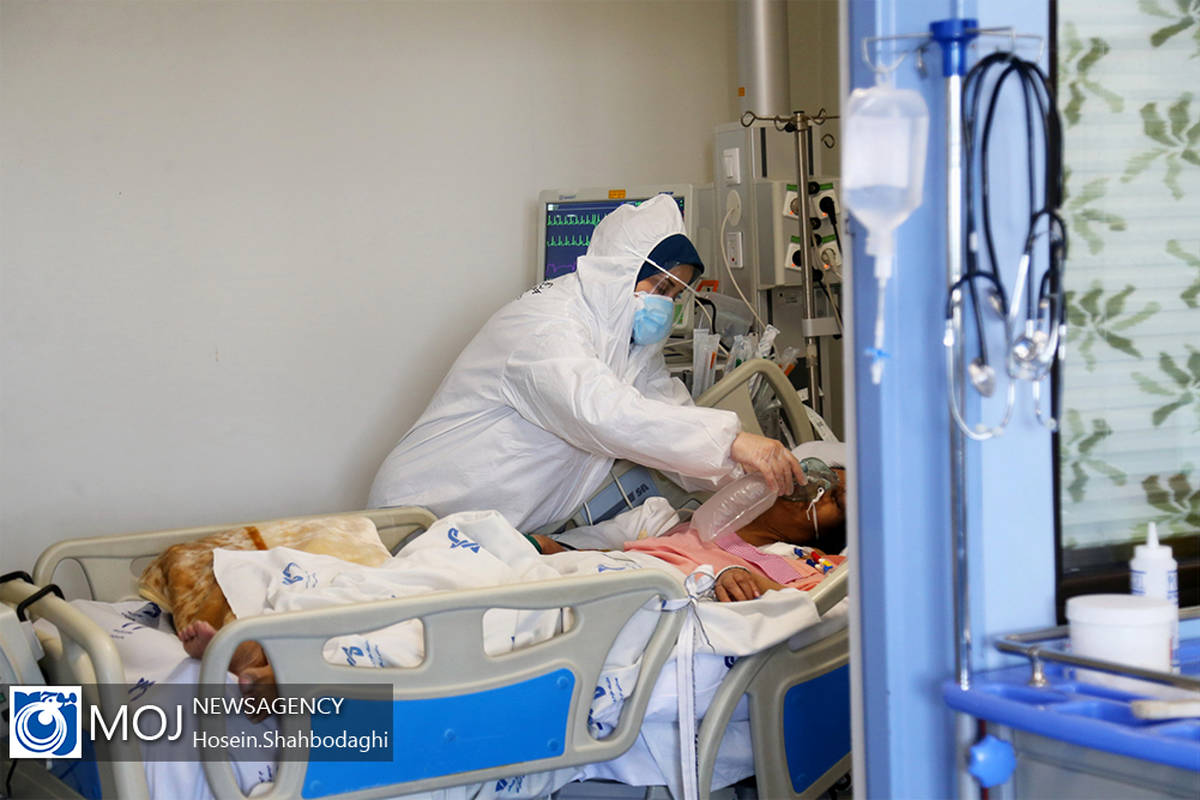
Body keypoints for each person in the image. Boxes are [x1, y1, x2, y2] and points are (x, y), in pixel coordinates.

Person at [368, 194, 805, 532]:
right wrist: (732, 442)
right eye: (660, 286)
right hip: (426, 513)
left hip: (490, 530)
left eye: (675, 294)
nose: (666, 304)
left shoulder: (626, 341)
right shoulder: (545, 327)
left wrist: (752, 476)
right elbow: (604, 414)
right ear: (621, 272)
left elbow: (668, 417)